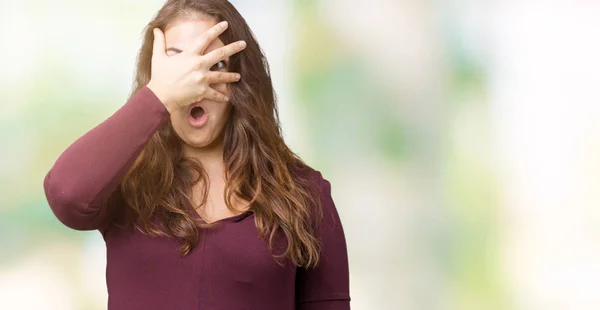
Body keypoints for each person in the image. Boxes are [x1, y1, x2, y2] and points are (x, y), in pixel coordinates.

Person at [42, 0, 350, 309]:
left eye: (212, 65)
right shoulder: (125, 178)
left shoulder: (303, 193)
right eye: (178, 67)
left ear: (240, 79)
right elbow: (66, 194)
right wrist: (159, 97)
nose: (195, 83)